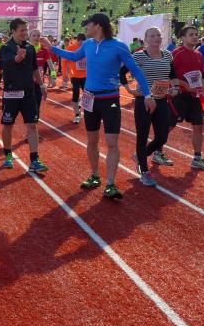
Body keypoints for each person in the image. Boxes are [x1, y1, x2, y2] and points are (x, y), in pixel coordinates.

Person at [43, 13, 154, 200]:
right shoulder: (87, 44)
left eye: (88, 24)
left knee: (112, 142)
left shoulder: (118, 45)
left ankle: (110, 183)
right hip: (90, 99)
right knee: (92, 140)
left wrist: (148, 94)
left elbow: (135, 69)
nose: (86, 28)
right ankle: (95, 175)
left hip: (110, 99)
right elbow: (73, 56)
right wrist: (51, 47)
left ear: (98, 26)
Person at [119, 27, 176, 186]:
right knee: (142, 136)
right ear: (145, 39)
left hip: (162, 100)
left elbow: (172, 74)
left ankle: (140, 155)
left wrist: (175, 87)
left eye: (158, 35)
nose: (156, 38)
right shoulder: (139, 56)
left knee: (162, 137)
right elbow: (122, 72)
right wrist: (129, 90)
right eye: (152, 36)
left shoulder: (168, 55)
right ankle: (144, 171)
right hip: (144, 101)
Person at [0, 19, 48, 173]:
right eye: (22, 30)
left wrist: (41, 85)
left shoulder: (30, 48)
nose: (25, 33)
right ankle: (8, 155)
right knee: (8, 125)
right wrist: (17, 58)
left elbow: (35, 69)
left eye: (26, 30)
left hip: (28, 93)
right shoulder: (5, 48)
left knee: (32, 125)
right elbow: (6, 64)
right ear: (13, 31)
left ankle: (34, 160)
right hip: (11, 93)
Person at [170, 26, 204, 171]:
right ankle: (157, 151)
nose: (195, 37)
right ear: (183, 38)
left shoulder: (199, 55)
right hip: (179, 96)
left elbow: (202, 74)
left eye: (196, 34)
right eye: (191, 35)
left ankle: (197, 158)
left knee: (198, 126)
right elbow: (169, 75)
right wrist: (185, 85)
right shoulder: (175, 53)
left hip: (194, 96)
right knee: (169, 125)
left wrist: (203, 85)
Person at [65, 33, 88, 124]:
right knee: (75, 94)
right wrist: (65, 74)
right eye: (81, 43)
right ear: (77, 41)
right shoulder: (70, 48)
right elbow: (65, 61)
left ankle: (80, 105)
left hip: (85, 75)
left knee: (88, 94)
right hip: (74, 75)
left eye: (84, 44)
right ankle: (77, 115)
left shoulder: (87, 47)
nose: (82, 46)